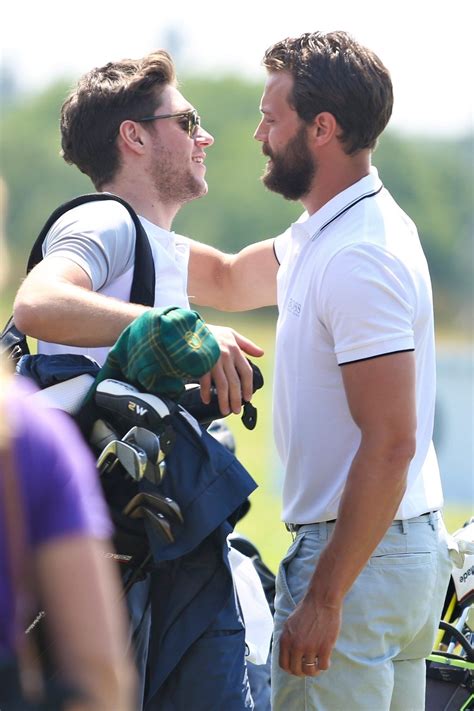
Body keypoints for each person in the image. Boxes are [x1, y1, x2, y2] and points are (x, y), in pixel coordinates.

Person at [184, 31, 453, 710]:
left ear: (322, 129)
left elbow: (391, 442)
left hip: (356, 559)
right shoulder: (327, 231)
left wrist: (325, 595)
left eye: (272, 119)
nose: (257, 135)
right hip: (388, 552)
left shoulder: (357, 255)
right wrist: (104, 232)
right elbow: (220, 278)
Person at [12, 51, 259, 709]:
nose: (205, 136)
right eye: (188, 120)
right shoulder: (105, 221)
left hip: (151, 546)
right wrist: (178, 332)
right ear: (136, 135)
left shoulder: (159, 243)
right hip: (115, 552)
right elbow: (37, 301)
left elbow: (241, 277)